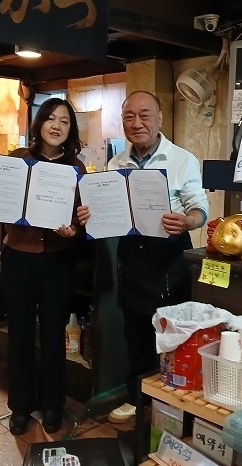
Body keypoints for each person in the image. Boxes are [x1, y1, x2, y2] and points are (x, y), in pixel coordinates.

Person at [77, 90, 209, 424]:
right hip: (131, 257)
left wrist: (187, 221)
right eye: (129, 116)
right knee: (135, 332)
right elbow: (108, 212)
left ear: (159, 118)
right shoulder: (116, 164)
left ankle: (171, 405)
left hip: (168, 257)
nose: (137, 123)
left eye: (144, 115)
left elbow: (199, 208)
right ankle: (138, 399)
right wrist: (90, 215)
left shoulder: (181, 160)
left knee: (170, 334)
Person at [0, 98, 85, 435]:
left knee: (53, 334)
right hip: (19, 258)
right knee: (19, 332)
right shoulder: (17, 160)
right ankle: (20, 406)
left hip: (57, 261)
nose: (56, 126)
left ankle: (52, 404)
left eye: (64, 121)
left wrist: (74, 230)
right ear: (39, 124)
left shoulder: (76, 168)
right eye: (50, 118)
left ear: (70, 129)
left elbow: (80, 218)